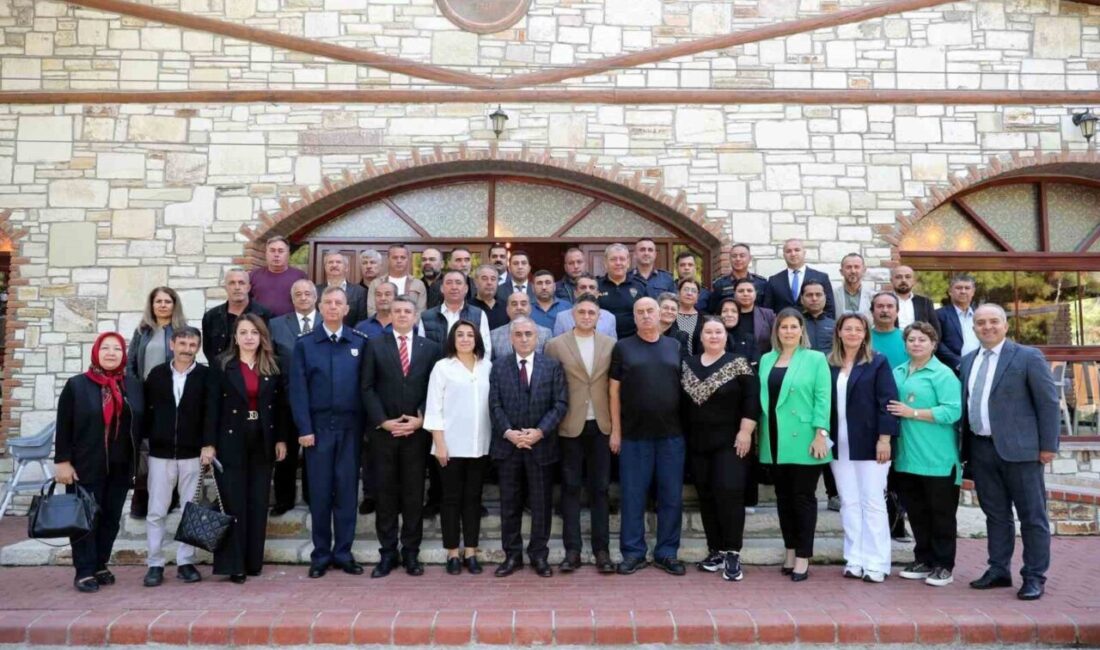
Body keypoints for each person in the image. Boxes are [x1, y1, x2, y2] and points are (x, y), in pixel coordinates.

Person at [962, 304, 1060, 601]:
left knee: (1032, 516)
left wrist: (1047, 446)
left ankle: (1033, 576)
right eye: (981, 322)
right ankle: (998, 569)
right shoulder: (967, 361)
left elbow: (1048, 402)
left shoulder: (1027, 357)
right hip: (981, 449)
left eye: (994, 321)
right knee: (995, 515)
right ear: (974, 327)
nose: (987, 327)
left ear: (1005, 325)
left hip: (1022, 451)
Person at [289, 287, 369, 579]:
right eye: (328, 303)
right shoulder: (305, 344)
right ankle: (321, 554)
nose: (333, 307)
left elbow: (366, 388)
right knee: (320, 493)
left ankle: (344, 553)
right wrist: (305, 429)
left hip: (351, 430)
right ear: (319, 307)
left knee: (347, 493)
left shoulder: (360, 342)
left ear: (347, 309)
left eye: (339, 303)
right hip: (318, 431)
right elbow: (298, 390)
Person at [54, 332, 143, 593]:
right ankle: (84, 570)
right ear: (96, 352)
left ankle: (100, 563)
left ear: (124, 355)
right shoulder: (77, 385)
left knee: (111, 518)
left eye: (117, 348)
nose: (111, 353)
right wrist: (63, 461)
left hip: (120, 465)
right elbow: (64, 426)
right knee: (85, 519)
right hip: (85, 466)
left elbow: (140, 424)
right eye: (105, 348)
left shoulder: (133, 386)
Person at [201, 314, 288, 583]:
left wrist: (281, 439)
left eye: (254, 333)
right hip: (230, 440)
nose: (249, 337)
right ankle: (233, 564)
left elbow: (282, 408)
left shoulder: (273, 366)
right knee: (233, 502)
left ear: (263, 337)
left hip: (262, 439)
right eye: (244, 332)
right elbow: (211, 406)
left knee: (258, 501)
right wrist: (208, 444)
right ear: (235, 338)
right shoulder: (222, 365)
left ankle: (252, 562)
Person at [361, 295, 442, 578]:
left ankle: (411, 552)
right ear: (390, 314)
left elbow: (436, 388)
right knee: (385, 494)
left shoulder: (431, 348)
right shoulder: (373, 345)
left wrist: (421, 419)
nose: (402, 315)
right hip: (384, 434)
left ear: (416, 315)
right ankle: (387, 553)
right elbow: (367, 388)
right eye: (397, 311)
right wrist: (383, 421)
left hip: (416, 434)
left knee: (412, 494)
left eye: (408, 311)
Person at [610, 297, 686, 576]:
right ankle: (633, 553)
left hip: (671, 436)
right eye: (639, 312)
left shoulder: (674, 346)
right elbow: (613, 392)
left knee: (670, 498)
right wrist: (616, 431)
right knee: (632, 496)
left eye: (649, 311)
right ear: (634, 316)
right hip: (633, 436)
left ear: (659, 314)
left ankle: (667, 552)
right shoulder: (622, 347)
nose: (645, 316)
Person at [488, 317, 569, 578]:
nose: (524, 339)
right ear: (511, 338)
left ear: (537, 338)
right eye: (519, 334)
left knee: (541, 504)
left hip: (541, 446)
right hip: (508, 446)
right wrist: (509, 433)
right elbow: (495, 405)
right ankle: (512, 555)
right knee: (509, 504)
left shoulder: (552, 366)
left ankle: (538, 555)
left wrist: (539, 432)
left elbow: (559, 404)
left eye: (529, 334)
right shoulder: (499, 367)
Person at [681, 318, 759, 582]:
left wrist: (745, 432)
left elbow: (751, 400)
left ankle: (732, 552)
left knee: (729, 493)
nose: (713, 336)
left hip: (731, 442)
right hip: (697, 442)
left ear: (726, 336)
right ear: (700, 336)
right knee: (706, 495)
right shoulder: (688, 365)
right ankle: (715, 550)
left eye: (718, 332)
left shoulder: (739, 363)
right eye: (708, 332)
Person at [757, 308, 832, 582]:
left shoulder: (814, 359)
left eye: (793, 327)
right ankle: (789, 551)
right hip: (774, 439)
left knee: (803, 499)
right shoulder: (767, 359)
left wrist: (821, 433)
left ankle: (803, 556)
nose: (788, 331)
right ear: (776, 331)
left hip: (805, 439)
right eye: (783, 327)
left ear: (802, 331)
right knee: (783, 499)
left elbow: (823, 399)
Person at [544, 295, 616, 574]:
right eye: (582, 312)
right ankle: (572, 550)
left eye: (591, 313)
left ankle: (602, 551)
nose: (587, 316)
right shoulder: (555, 345)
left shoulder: (611, 345)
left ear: (599, 317)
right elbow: (549, 386)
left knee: (600, 489)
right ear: (573, 315)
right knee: (570, 489)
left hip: (601, 425)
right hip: (568, 425)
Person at [886, 321, 961, 588]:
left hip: (937, 458)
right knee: (916, 512)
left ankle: (943, 565)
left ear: (933, 344)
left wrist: (913, 412)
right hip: (907, 457)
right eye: (911, 340)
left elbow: (953, 411)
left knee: (941, 513)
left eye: (922, 340)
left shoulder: (943, 374)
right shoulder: (898, 372)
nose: (916, 344)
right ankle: (924, 559)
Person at [827, 313, 899, 583]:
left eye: (859, 329)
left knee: (872, 502)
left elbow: (888, 402)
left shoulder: (877, 362)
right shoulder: (829, 363)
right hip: (840, 444)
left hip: (870, 443)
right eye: (848, 329)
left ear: (866, 334)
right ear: (839, 332)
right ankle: (854, 558)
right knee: (849, 501)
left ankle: (877, 562)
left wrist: (885, 439)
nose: (853, 333)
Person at [142, 327, 208, 587]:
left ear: (197, 348)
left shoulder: (206, 376)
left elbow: (210, 412)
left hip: (193, 454)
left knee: (189, 510)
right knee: (156, 511)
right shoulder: (157, 375)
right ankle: (155, 563)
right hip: (160, 453)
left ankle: (185, 562)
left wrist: (209, 445)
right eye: (182, 343)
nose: (187, 349)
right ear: (172, 345)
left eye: (192, 344)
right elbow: (148, 412)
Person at [425, 321, 492, 576]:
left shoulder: (486, 366)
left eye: (470, 335)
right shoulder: (443, 367)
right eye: (460, 334)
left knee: (473, 499)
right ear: (452, 339)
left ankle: (471, 551)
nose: (465, 339)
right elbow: (434, 407)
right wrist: (439, 443)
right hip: (449, 445)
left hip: (479, 445)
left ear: (477, 339)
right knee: (450, 499)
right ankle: (453, 552)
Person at [127, 286, 188, 519]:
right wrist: (135, 391)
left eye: (167, 301)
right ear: (151, 305)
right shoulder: (142, 331)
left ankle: (170, 498)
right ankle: (142, 497)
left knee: (168, 445)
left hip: (172, 396)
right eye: (158, 301)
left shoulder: (181, 331)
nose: (162, 305)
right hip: (145, 396)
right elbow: (131, 363)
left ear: (174, 305)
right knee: (144, 448)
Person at [267, 279, 318, 516]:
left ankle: (312, 495)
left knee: (314, 450)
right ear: (292, 298)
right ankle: (284, 499)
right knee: (284, 450)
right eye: (298, 294)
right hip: (285, 398)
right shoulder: (276, 325)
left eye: (308, 293)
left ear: (315, 297)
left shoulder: (329, 322)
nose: (303, 297)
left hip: (319, 400)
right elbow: (270, 360)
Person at [203, 268, 273, 363]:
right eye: (232, 283)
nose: (237, 287)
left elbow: (270, 348)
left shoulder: (265, 315)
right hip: (221, 373)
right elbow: (208, 350)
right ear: (226, 287)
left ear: (248, 287)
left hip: (255, 372)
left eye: (241, 283)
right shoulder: (211, 317)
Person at [418, 270, 492, 355]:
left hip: (469, 367)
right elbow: (422, 351)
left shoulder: (479, 314)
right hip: (437, 367)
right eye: (449, 283)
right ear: (442, 288)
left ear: (466, 289)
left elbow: (485, 349)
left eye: (458, 283)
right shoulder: (427, 317)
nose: (454, 287)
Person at [764, 239, 836, 318]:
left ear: (804, 253)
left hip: (812, 327)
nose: (793, 254)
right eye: (788, 251)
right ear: (784, 255)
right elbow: (767, 311)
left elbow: (830, 309)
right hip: (784, 328)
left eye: (797, 250)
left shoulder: (821, 277)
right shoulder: (774, 281)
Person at [249, 236, 307, 317]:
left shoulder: (299, 276)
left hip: (290, 326)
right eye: (272, 251)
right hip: (260, 325)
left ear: (288, 254)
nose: (276, 255)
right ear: (266, 253)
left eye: (281, 251)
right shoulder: (253, 276)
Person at [598, 243, 646, 339]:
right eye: (613, 259)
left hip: (633, 341)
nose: (618, 263)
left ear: (628, 263)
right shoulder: (596, 286)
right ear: (605, 263)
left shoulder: (640, 286)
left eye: (622, 259)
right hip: (602, 341)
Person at [552, 273, 618, 339]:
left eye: (591, 287)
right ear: (575, 293)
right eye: (583, 287)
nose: (587, 290)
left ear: (597, 293)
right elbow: (557, 346)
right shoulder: (562, 318)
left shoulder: (609, 318)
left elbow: (612, 346)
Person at [935, 274, 979, 372]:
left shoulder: (980, 314)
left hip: (979, 365)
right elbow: (936, 342)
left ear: (973, 292)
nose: (963, 291)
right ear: (950, 291)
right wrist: (957, 363)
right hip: (952, 369)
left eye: (967, 288)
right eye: (958, 288)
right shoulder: (939, 315)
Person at [490, 292, 552, 359]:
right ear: (507, 310)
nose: (519, 307)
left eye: (523, 304)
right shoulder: (494, 335)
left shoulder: (545, 333)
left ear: (530, 309)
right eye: (514, 304)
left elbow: (548, 363)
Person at [367, 244, 427, 314]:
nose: (399, 261)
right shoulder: (376, 283)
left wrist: (406, 324)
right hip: (382, 325)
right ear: (388, 259)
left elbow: (421, 312)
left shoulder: (418, 284)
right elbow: (371, 311)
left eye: (403, 257)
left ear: (408, 259)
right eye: (395, 257)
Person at [709, 243, 766, 313]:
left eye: (742, 256)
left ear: (750, 258)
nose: (738, 259)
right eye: (734, 256)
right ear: (729, 259)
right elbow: (713, 311)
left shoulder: (761, 283)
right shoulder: (719, 284)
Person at [317, 252, 368, 328]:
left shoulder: (360, 291)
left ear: (346, 268)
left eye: (338, 262)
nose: (334, 265)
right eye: (330, 262)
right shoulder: (315, 291)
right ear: (325, 267)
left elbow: (362, 321)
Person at [890, 266, 941, 339]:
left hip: (919, 347)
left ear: (914, 281)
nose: (903, 280)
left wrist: (931, 348)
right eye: (898, 277)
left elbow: (935, 330)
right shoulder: (885, 302)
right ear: (891, 280)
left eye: (908, 277)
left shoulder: (925, 302)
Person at [732, 278, 775, 360]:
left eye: (749, 291)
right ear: (734, 294)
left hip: (762, 362)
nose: (745, 294)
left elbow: (776, 341)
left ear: (756, 293)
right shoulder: (728, 315)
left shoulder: (768, 315)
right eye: (741, 291)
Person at [870, 292, 907, 368]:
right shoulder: (862, 338)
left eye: (890, 306)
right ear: (872, 312)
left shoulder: (908, 338)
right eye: (880, 306)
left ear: (897, 312)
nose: (885, 310)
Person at [717, 298, 757, 364]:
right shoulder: (711, 338)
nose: (729, 315)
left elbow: (755, 364)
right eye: (724, 311)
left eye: (734, 311)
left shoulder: (749, 339)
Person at [801, 280, 836, 354]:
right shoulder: (796, 325)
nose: (814, 299)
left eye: (818, 295)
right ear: (802, 299)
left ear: (825, 298)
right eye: (809, 295)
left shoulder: (835, 325)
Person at [470, 264, 509, 330]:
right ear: (475, 282)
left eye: (493, 279)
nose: (489, 282)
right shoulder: (467, 308)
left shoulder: (506, 307)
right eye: (484, 279)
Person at [674, 277, 705, 356]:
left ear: (697, 297)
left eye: (694, 291)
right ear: (678, 293)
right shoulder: (670, 315)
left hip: (696, 364)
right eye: (686, 289)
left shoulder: (704, 319)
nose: (689, 293)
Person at [657, 292, 690, 357]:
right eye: (665, 308)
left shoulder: (681, 336)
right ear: (657, 309)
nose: (669, 312)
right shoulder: (645, 331)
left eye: (673, 309)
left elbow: (684, 362)